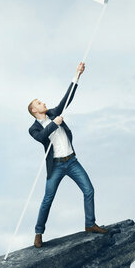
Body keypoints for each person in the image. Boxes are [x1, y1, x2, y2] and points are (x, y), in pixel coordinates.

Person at [28, 62, 108, 248]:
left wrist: (77, 75)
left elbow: (68, 98)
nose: (44, 103)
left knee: (89, 190)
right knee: (47, 199)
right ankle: (38, 233)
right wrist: (54, 124)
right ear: (34, 110)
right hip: (55, 166)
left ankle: (90, 224)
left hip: (72, 161)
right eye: (39, 103)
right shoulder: (33, 128)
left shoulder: (55, 112)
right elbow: (41, 137)